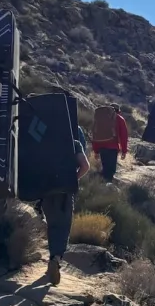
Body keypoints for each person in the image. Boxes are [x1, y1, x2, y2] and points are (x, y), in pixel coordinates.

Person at [42, 137, 91, 286]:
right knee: (63, 226)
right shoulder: (73, 143)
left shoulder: (43, 141)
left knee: (52, 224)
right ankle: (56, 259)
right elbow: (85, 166)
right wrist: (73, 178)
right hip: (64, 191)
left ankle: (52, 258)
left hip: (46, 190)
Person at [92, 103, 128, 183]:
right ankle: (106, 188)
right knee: (111, 171)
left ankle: (99, 185)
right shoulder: (119, 118)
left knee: (105, 169)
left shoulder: (100, 119)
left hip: (101, 147)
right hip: (112, 148)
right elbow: (124, 136)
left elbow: (95, 134)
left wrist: (96, 150)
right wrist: (124, 150)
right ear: (118, 111)